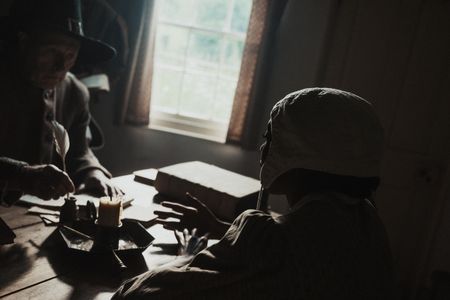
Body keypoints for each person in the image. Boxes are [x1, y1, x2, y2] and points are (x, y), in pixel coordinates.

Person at [113, 88, 394, 299]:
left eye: (271, 138)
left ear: (302, 156)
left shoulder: (265, 235)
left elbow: (139, 294)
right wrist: (220, 229)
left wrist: (188, 257)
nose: (263, 150)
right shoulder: (369, 221)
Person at [0, 0, 122, 206]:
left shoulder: (75, 92)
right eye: (50, 52)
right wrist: (21, 174)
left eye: (70, 55)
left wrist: (92, 171)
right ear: (23, 42)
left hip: (36, 218)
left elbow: (79, 150)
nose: (60, 66)